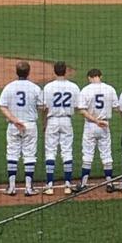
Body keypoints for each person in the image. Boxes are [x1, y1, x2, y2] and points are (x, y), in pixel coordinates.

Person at [0, 61, 42, 196]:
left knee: (12, 153)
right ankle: (28, 188)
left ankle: (11, 187)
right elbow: (42, 106)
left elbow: (2, 106)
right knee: (29, 155)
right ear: (28, 72)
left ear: (16, 72)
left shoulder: (9, 87)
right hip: (30, 125)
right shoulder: (35, 88)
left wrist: (14, 120)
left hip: (13, 125)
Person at [40, 61, 81, 195]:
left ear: (54, 71)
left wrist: (44, 123)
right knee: (67, 151)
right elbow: (78, 106)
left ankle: (49, 186)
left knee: (50, 152)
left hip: (52, 121)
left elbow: (44, 108)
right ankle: (68, 185)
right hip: (66, 121)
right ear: (66, 71)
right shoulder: (74, 87)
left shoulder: (48, 87)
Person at [77, 68, 119, 191]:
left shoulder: (85, 90)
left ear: (89, 77)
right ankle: (109, 184)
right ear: (100, 76)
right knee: (106, 154)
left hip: (90, 125)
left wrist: (95, 120)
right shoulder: (110, 89)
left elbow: (82, 110)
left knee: (88, 154)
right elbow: (117, 108)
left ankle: (83, 184)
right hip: (104, 125)